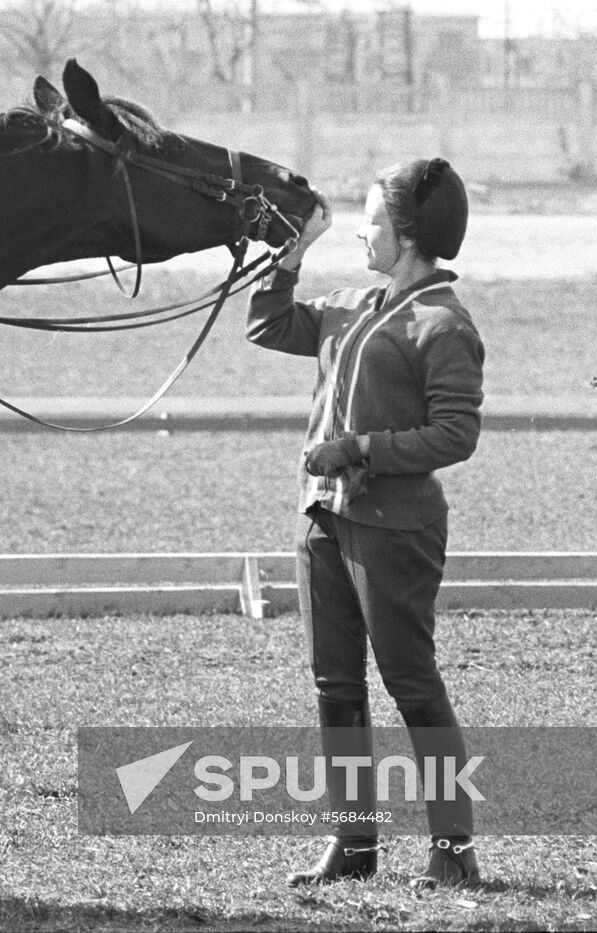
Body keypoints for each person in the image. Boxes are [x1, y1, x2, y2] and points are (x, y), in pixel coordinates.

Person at [246, 158, 484, 889]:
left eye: (372, 220)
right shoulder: (351, 304)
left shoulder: (443, 324)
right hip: (322, 517)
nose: (361, 231)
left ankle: (454, 847)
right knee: (335, 683)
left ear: (406, 235)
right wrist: (290, 255)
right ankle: (353, 842)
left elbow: (455, 435)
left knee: (411, 682)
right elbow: (268, 325)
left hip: (395, 528)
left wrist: (360, 449)